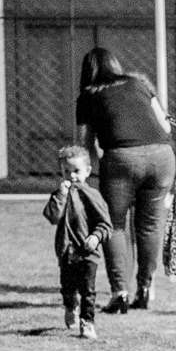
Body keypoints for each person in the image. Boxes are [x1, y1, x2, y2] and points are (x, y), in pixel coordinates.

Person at [75, 48, 175, 314]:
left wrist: (95, 173)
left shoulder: (88, 95)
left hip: (121, 159)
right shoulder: (138, 83)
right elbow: (165, 125)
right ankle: (146, 288)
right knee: (151, 225)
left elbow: (84, 145)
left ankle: (120, 292)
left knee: (115, 225)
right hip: (163, 157)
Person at [43, 145, 113, 340]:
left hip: (88, 252)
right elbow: (53, 217)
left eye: (76, 171)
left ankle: (87, 322)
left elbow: (105, 224)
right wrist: (61, 196)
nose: (71, 176)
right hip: (67, 251)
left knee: (88, 290)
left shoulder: (93, 195)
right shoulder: (60, 195)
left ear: (88, 171)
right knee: (68, 287)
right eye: (67, 172)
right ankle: (70, 305)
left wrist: (96, 237)